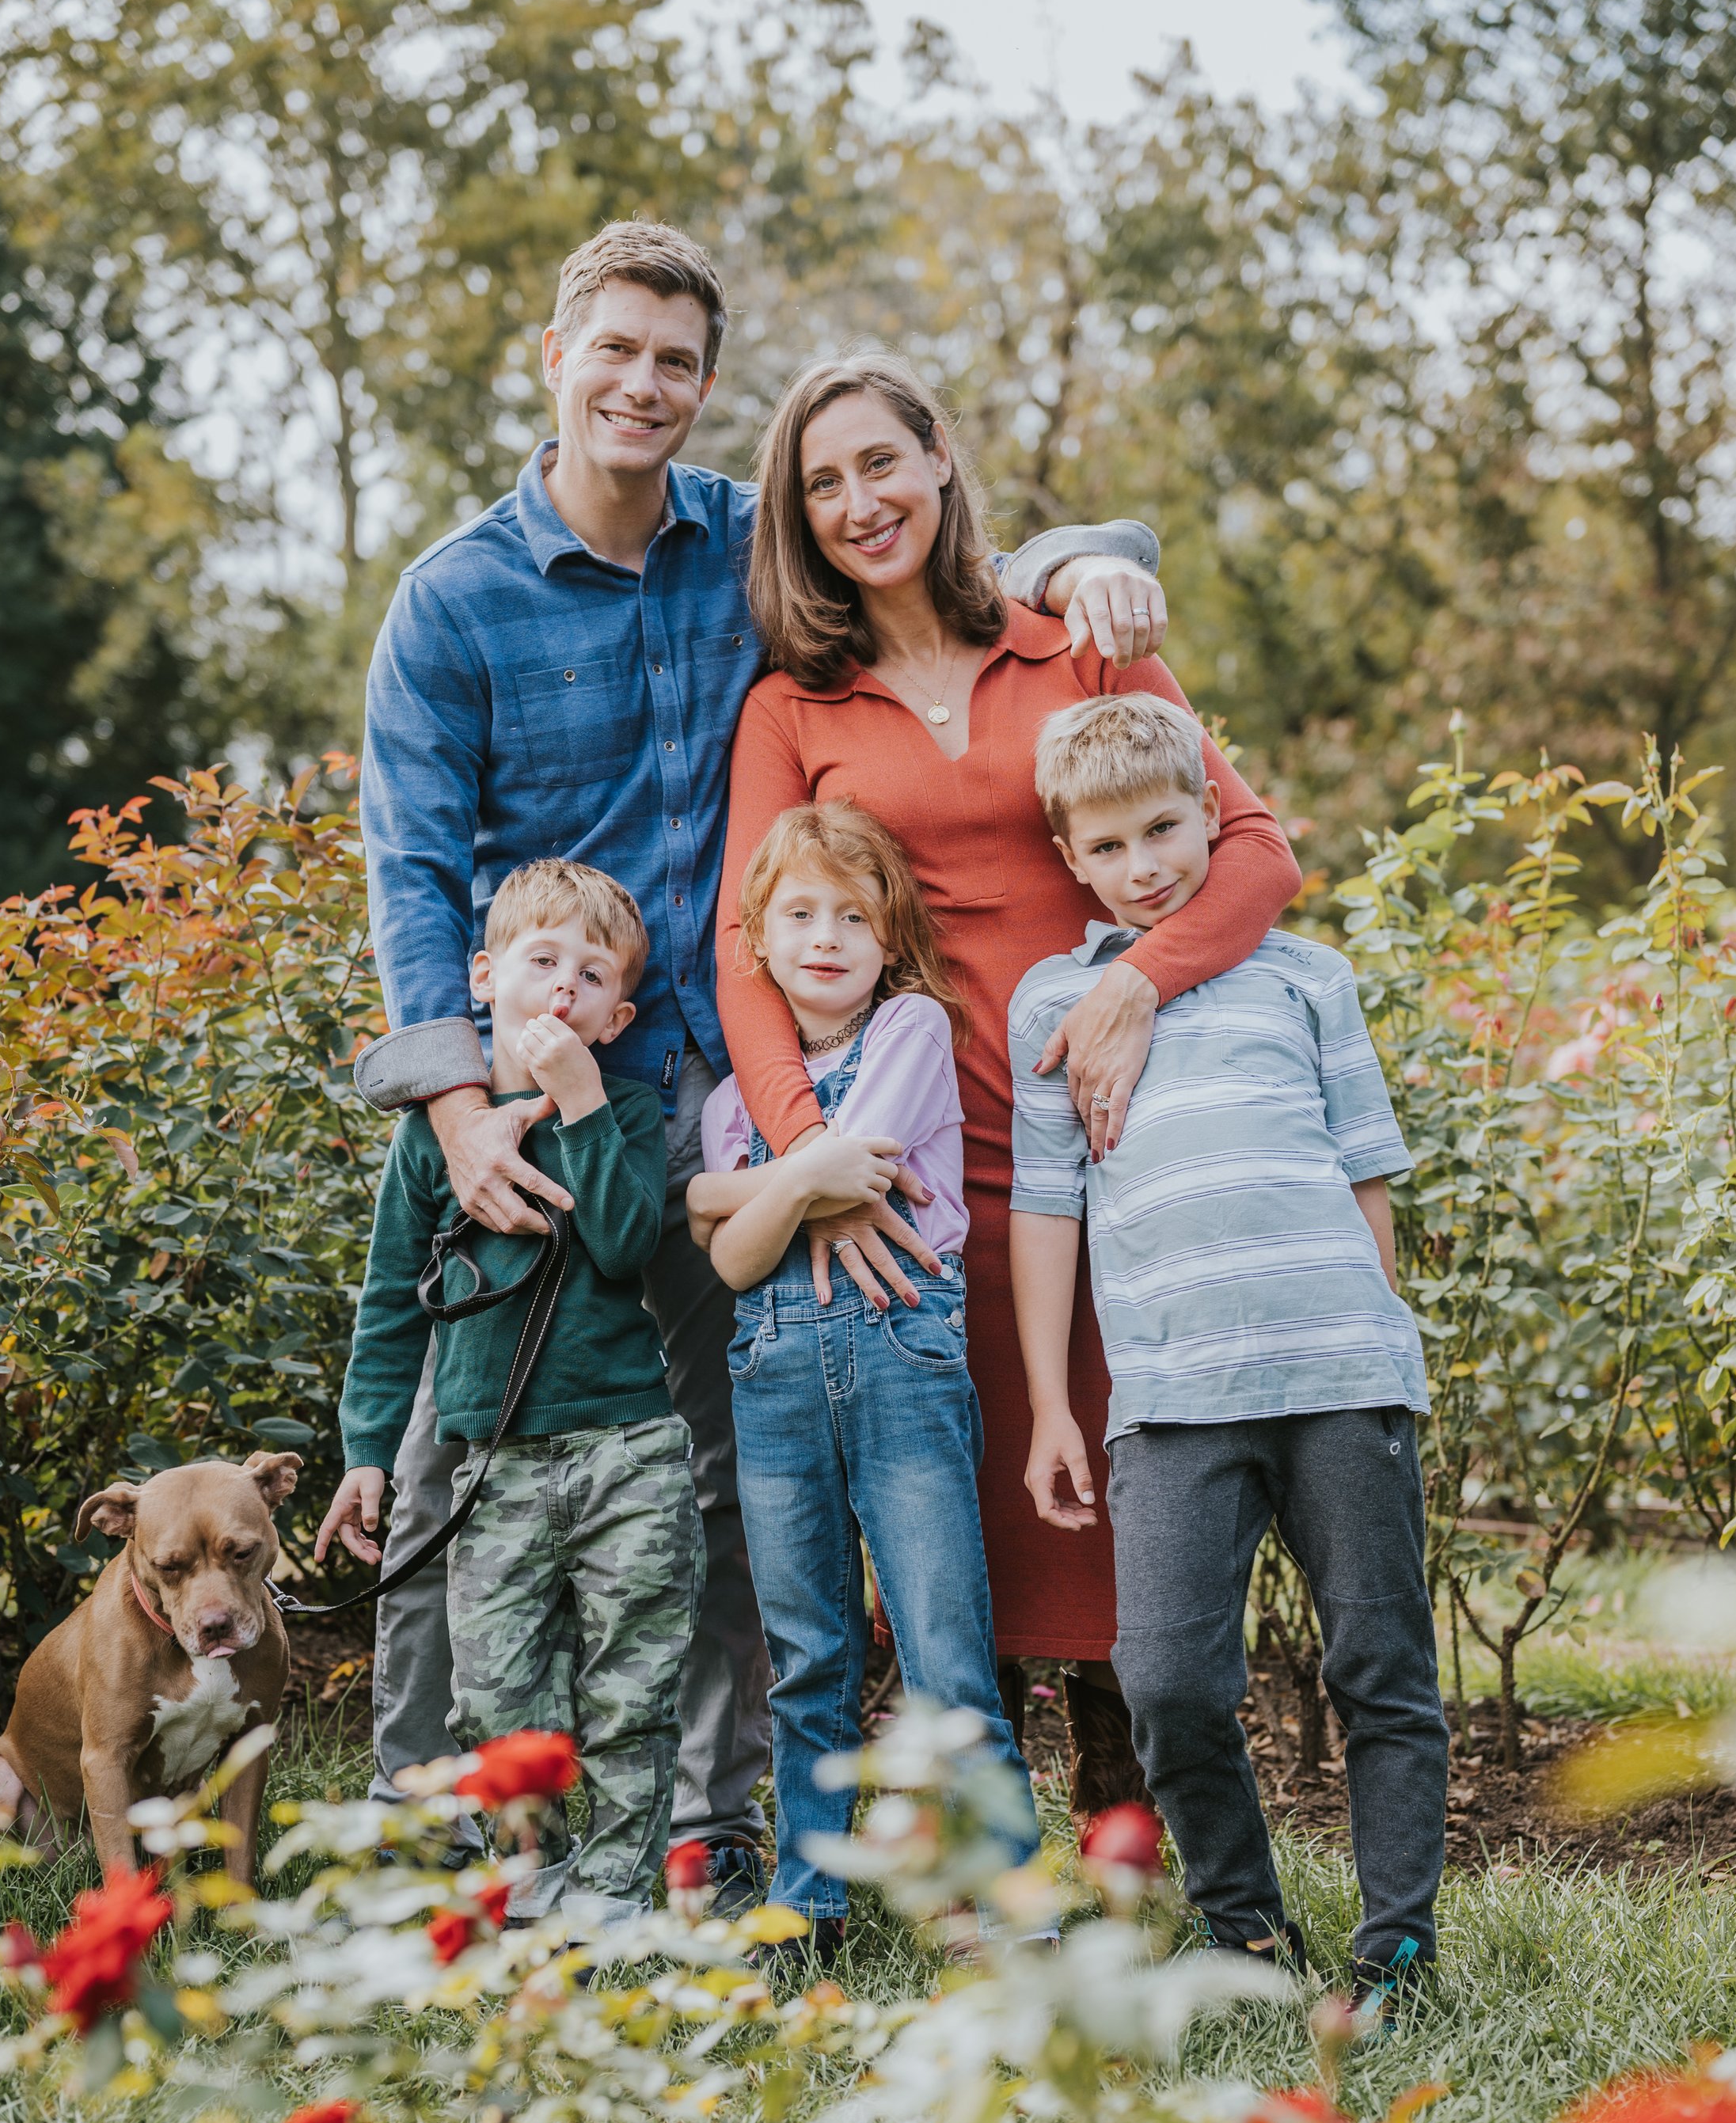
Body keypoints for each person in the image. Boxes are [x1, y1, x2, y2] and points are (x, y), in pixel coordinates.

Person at [356, 222, 1168, 1911]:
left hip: (724, 1094)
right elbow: (413, 870)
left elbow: (941, 564)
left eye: (674, 362)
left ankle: (706, 1842)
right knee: (469, 1467)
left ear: (703, 387)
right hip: (531, 1100)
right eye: (616, 350)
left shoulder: (749, 545)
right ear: (556, 356)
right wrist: (451, 1106)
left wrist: (1100, 548)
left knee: (728, 1490)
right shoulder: (452, 599)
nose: (642, 385)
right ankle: (435, 1850)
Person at [716, 353, 1303, 1813]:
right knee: (957, 1501)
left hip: (1121, 1131)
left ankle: (1130, 1788)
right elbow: (743, 950)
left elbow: (1257, 851)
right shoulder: (797, 705)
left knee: (1127, 1463)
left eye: (882, 463)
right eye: (823, 483)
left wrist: (1133, 981)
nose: (861, 502)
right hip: (920, 1161)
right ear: (798, 518)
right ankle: (974, 1821)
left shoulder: (1076, 646)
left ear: (940, 461)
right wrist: (817, 1160)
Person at [1007, 693, 1447, 2008]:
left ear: (1215, 814)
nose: (1146, 864)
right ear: (1070, 858)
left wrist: (1383, 1327)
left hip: (1342, 1375)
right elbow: (1047, 1212)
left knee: (1381, 1663)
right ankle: (1243, 1926)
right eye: (1112, 845)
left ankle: (1398, 1944)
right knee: (1168, 1676)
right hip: (1172, 1396)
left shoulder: (1307, 976)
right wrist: (1048, 1404)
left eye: (1166, 827)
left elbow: (1367, 1171)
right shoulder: (1059, 998)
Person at [319, 860, 701, 1922]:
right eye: (544, 963)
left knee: (631, 1683)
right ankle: (535, 1886)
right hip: (494, 1462)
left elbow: (626, 1248)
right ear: (484, 979)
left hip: (626, 1447)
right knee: (497, 1692)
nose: (565, 990)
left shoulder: (623, 1113)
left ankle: (620, 1899)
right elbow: (394, 1297)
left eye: (592, 975)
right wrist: (365, 1449)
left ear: (619, 1014)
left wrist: (578, 1102)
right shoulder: (430, 1139)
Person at [689, 803, 1039, 1954]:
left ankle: (1005, 1901)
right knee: (808, 1654)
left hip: (900, 1352)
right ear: (758, 936)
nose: (827, 935)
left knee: (945, 1644)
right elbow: (740, 1262)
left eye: (855, 914)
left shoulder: (913, 1032)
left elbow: (856, 1176)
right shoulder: (732, 1099)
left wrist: (746, 1193)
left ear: (891, 937)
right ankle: (811, 1900)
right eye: (800, 913)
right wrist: (786, 1185)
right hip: (776, 1372)